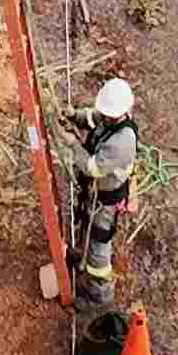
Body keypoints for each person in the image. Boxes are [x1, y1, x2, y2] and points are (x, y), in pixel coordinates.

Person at [65, 75, 138, 297]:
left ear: (120, 113)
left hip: (105, 200)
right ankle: (82, 258)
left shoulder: (122, 140)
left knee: (99, 240)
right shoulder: (111, 117)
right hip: (95, 194)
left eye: (108, 113)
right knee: (86, 227)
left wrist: (73, 145)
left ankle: (99, 293)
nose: (104, 115)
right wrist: (73, 115)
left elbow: (92, 167)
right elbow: (91, 117)